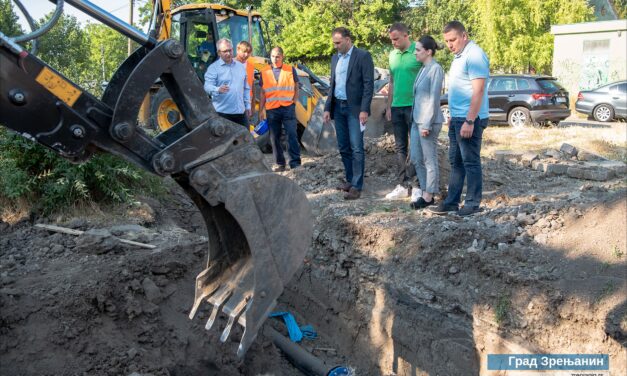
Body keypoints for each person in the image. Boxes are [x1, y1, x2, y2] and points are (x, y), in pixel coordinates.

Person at [429, 21, 490, 216]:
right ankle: (452, 202)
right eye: (446, 41)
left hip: (470, 119)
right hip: (458, 118)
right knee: (456, 161)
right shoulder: (459, 56)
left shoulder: (474, 55)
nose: (449, 44)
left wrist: (470, 120)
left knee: (470, 161)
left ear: (464, 35)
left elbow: (478, 90)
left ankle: (472, 203)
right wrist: (454, 116)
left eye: (453, 39)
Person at [323, 27, 374, 200]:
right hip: (339, 108)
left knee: (356, 147)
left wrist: (364, 109)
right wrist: (327, 108)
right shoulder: (335, 58)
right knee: (343, 147)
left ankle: (357, 186)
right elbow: (333, 85)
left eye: (338, 43)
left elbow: (368, 85)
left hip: (355, 110)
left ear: (347, 39)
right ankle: (350, 180)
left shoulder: (362, 56)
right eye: (334, 43)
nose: (335, 46)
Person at [384, 23, 423, 202]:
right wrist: (388, 105)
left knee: (415, 148)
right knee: (400, 147)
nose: (393, 42)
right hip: (397, 106)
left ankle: (417, 186)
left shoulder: (418, 51)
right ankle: (402, 185)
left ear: (406, 36)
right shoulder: (392, 55)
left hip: (415, 106)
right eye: (391, 39)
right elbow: (392, 81)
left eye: (396, 39)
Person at [409, 35, 445, 210]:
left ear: (428, 51)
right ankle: (425, 191)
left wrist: (426, 123)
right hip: (416, 120)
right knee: (416, 158)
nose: (415, 53)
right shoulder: (423, 68)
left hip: (427, 122)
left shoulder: (435, 69)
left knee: (428, 159)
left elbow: (433, 98)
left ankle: (429, 195)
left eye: (418, 50)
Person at [259, 47, 301, 172]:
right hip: (272, 109)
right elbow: (262, 93)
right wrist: (261, 110)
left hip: (288, 107)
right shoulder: (264, 71)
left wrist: (293, 103)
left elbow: (296, 87)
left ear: (282, 56)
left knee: (291, 134)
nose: (275, 59)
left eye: (277, 56)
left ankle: (295, 163)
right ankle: (280, 163)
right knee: (274, 137)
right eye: (272, 56)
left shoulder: (290, 69)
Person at [203, 38, 251, 127]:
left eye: (230, 50)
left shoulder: (240, 67)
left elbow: (246, 88)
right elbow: (207, 86)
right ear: (219, 53)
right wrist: (217, 89)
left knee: (247, 140)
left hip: (241, 113)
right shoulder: (213, 68)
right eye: (225, 51)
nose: (228, 53)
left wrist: (248, 106)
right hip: (223, 114)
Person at [235, 41, 256, 122]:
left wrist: (253, 105)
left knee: (245, 127)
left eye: (249, 52)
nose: (246, 55)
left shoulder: (250, 66)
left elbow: (252, 84)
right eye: (244, 52)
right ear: (238, 50)